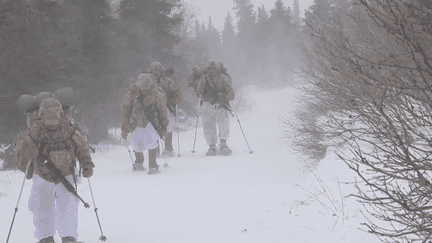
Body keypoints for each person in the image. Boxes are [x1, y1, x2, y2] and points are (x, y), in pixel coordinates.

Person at [13, 97, 95, 243]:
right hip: (49, 176)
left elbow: (81, 148)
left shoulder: (54, 130)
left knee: (62, 208)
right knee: (49, 208)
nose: (51, 119)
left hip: (57, 176)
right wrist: (29, 153)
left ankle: (61, 237)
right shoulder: (40, 130)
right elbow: (23, 153)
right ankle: (50, 237)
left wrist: (87, 164)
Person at [121, 61, 168, 174]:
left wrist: (163, 127)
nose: (145, 91)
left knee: (152, 141)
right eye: (143, 88)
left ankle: (153, 165)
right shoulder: (132, 94)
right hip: (136, 122)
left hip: (152, 121)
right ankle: (138, 162)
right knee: (137, 142)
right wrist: (124, 127)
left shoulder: (157, 93)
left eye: (147, 88)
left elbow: (163, 111)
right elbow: (125, 111)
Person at [195, 61, 235, 156]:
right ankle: (212, 145)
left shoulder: (222, 77)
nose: (212, 70)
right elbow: (199, 92)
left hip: (220, 103)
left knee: (223, 122)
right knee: (209, 123)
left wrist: (228, 96)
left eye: (214, 68)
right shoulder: (204, 78)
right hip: (208, 103)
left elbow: (229, 89)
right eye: (210, 68)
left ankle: (222, 143)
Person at [157, 66, 181, 157]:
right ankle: (168, 149)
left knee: (156, 127)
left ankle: (155, 150)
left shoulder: (152, 81)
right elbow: (176, 93)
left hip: (156, 107)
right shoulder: (170, 81)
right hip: (168, 107)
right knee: (168, 127)